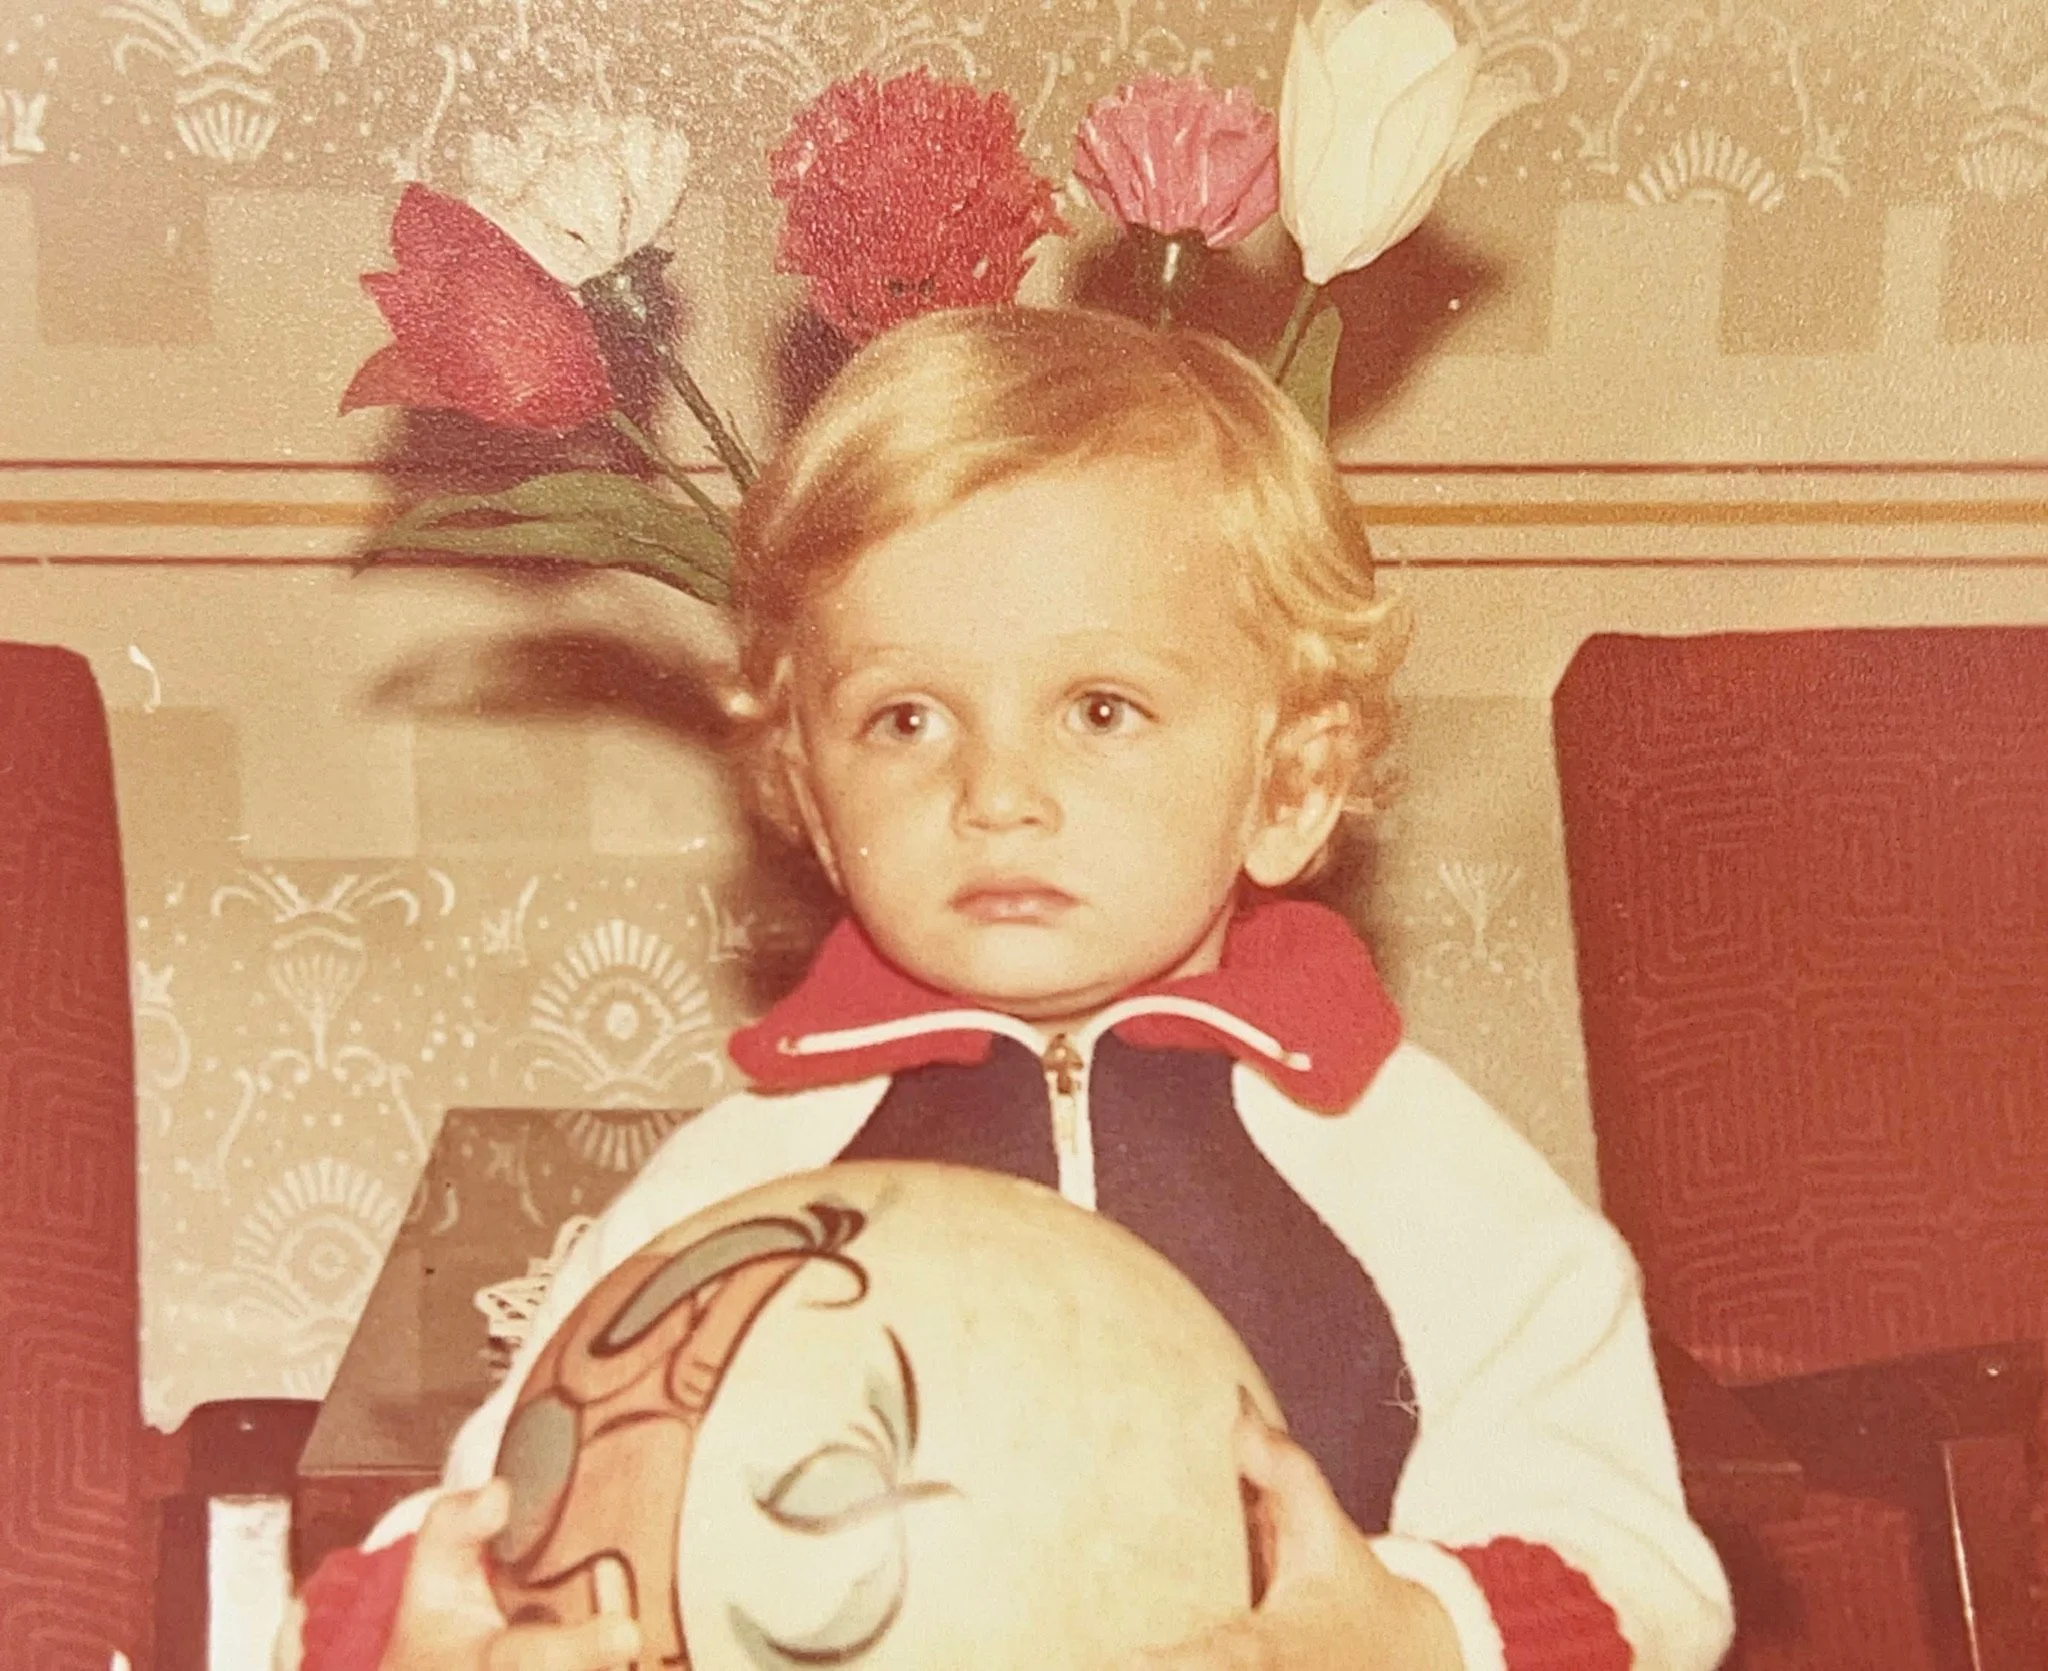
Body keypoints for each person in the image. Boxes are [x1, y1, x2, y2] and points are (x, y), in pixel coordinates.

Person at [279, 305, 1734, 1671]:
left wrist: (1418, 1631)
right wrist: (419, 1633)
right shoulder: (740, 1183)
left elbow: (1639, 1571)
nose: (996, 792)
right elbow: (506, 1501)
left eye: (1101, 709)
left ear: (1290, 780)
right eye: (905, 717)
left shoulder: (1413, 1168)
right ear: (803, 784)